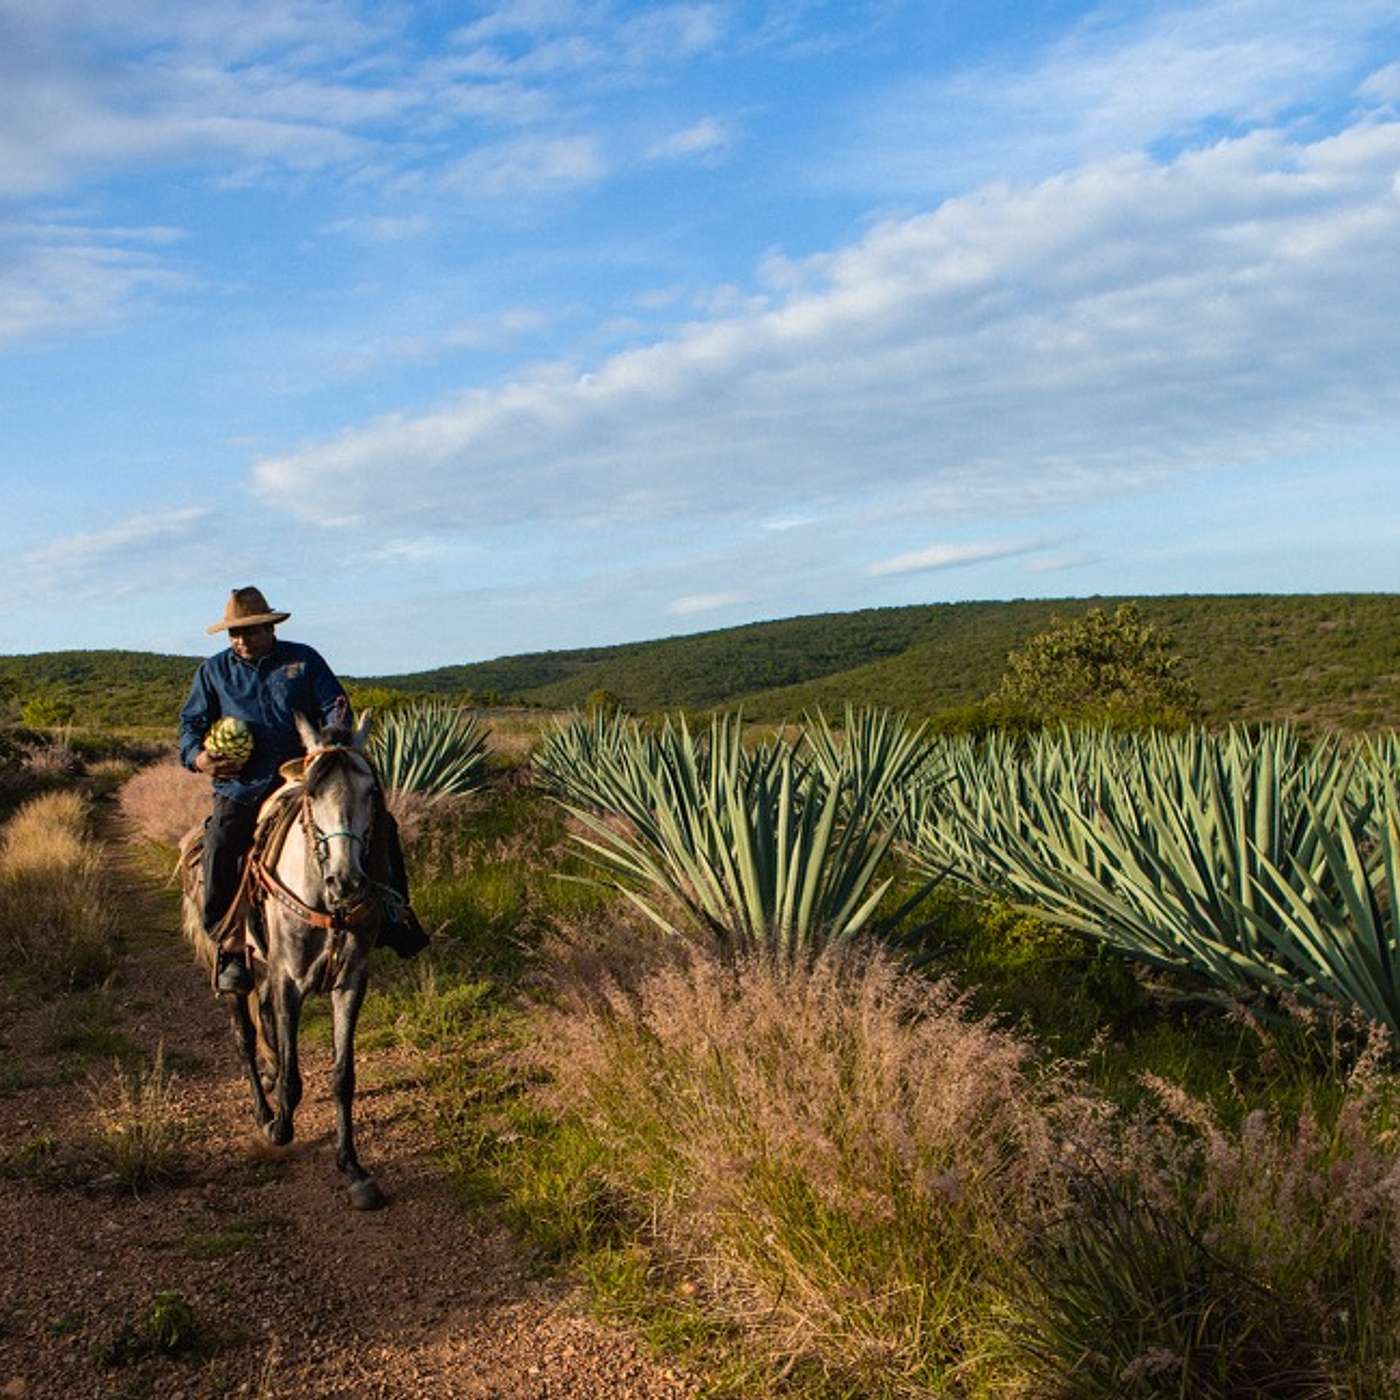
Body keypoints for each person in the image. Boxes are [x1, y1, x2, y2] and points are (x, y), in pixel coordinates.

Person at [179, 586, 428, 994]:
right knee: (221, 840)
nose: (243, 640)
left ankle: (395, 912)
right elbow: (189, 726)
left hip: (304, 775)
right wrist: (199, 758)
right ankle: (228, 942)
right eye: (235, 634)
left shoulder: (303, 660)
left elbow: (335, 704)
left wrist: (332, 740)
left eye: (253, 631)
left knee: (380, 823)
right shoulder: (213, 672)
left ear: (270, 627)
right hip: (243, 781)